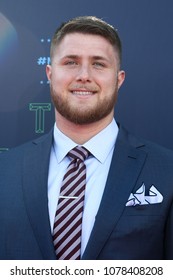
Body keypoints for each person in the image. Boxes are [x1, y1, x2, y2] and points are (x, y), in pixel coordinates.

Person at [0, 16, 173, 260]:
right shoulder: (5, 171)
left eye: (99, 64)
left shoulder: (167, 171)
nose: (84, 75)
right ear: (50, 74)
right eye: (71, 62)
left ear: (119, 79)